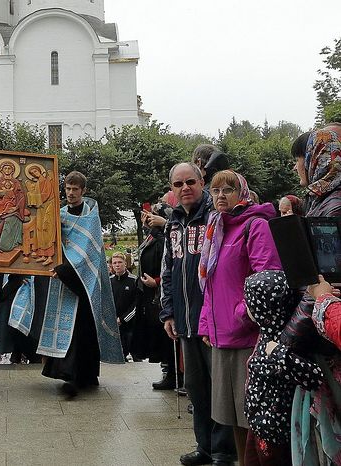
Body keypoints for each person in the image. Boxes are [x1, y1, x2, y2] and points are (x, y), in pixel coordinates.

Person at [197, 170, 282, 465]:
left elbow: (268, 276)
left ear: (242, 193)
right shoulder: (216, 227)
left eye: (228, 190)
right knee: (231, 414)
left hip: (248, 337)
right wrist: (206, 323)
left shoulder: (255, 226)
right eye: (216, 190)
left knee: (252, 417)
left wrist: (241, 313)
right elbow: (209, 283)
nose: (220, 196)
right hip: (222, 338)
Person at [160, 162, 236, 466]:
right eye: (178, 185)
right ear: (173, 190)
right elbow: (167, 269)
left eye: (190, 181)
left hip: (213, 321)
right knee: (196, 388)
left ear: (201, 182)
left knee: (218, 388)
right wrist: (168, 311)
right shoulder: (172, 224)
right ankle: (203, 447)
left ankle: (223, 452)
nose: (185, 188)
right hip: (184, 318)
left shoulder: (215, 218)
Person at [281, 125, 341, 464]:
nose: (296, 166)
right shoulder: (321, 200)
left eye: (299, 159)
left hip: (328, 337)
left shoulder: (332, 205)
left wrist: (285, 341)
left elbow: (319, 284)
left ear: (316, 157)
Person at [39, 171, 123, 397]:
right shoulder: (60, 215)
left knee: (83, 330)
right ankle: (68, 375)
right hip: (62, 279)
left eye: (76, 189)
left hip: (84, 282)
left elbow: (89, 252)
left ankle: (84, 375)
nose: (71, 193)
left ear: (83, 191)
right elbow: (51, 242)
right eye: (68, 188)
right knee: (67, 328)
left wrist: (65, 270)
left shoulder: (90, 217)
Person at [243, 271, 323, 466]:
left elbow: (314, 376)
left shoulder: (282, 343)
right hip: (259, 423)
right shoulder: (271, 332)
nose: (246, 307)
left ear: (262, 308)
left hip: (275, 430)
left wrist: (280, 354)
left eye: (249, 302)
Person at [134, 199, 178, 389]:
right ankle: (167, 370)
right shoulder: (152, 236)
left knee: (167, 336)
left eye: (153, 215)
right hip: (150, 294)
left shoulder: (165, 237)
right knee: (160, 336)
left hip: (161, 292)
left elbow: (170, 264)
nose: (150, 218)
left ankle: (173, 373)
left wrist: (157, 281)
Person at [110, 252, 141, 362]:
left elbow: (137, 304)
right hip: (114, 326)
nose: (117, 265)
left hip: (131, 326)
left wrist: (122, 319)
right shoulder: (109, 281)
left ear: (125, 263)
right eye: (114, 263)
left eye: (119, 262)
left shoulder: (134, 280)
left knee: (137, 359)